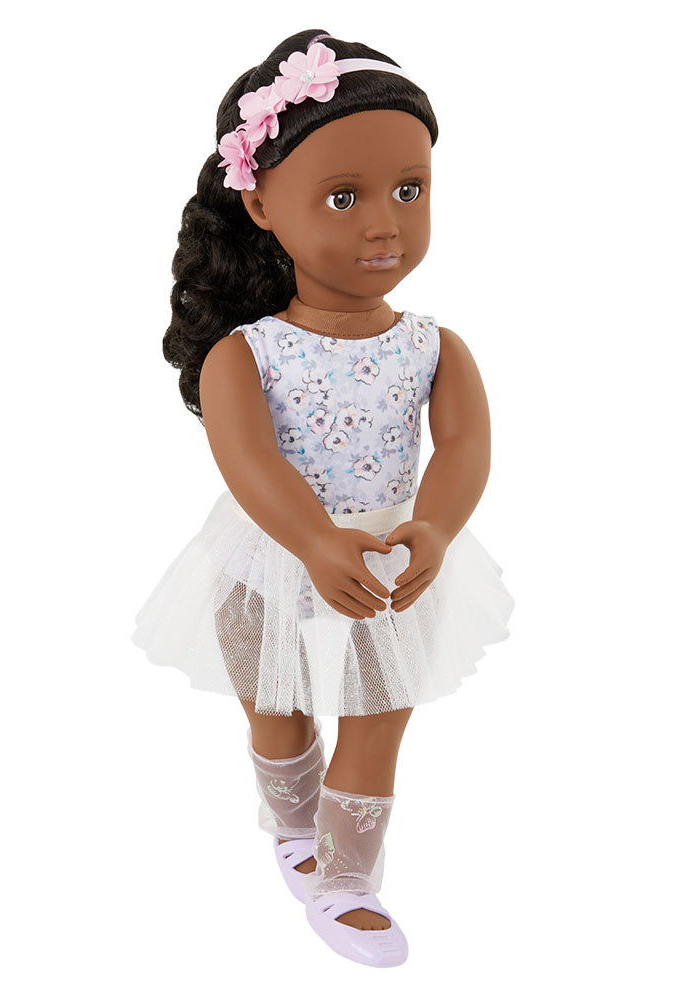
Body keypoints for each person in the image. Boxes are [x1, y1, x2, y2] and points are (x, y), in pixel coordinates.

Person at [131, 28, 515, 967]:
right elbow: (248, 459)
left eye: (409, 190)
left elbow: (465, 444)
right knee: (276, 705)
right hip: (268, 556)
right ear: (262, 204)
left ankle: (347, 878)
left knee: (379, 718)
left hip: (388, 561)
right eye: (345, 197)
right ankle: (293, 823)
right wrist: (309, 538)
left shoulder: (434, 347)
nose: (384, 224)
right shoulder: (246, 353)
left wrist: (434, 527)